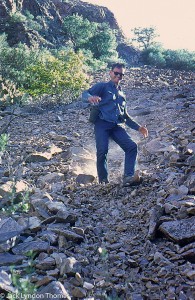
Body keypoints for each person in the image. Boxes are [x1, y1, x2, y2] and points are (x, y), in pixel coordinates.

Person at [82, 63, 148, 186]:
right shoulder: (102, 86)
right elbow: (84, 94)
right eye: (116, 73)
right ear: (110, 72)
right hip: (102, 123)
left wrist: (139, 127)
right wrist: (90, 98)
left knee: (131, 146)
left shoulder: (122, 94)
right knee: (102, 151)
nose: (118, 76)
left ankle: (128, 177)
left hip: (117, 126)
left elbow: (125, 116)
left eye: (121, 74)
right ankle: (103, 182)